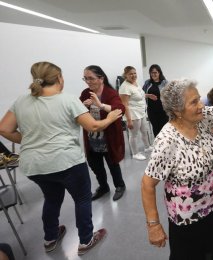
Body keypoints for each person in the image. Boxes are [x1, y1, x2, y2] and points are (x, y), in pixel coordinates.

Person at [0, 62, 119, 255]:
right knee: (82, 199)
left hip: (35, 166)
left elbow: (4, 128)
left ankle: (50, 238)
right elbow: (94, 127)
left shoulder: (21, 100)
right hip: (67, 162)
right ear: (59, 78)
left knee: (52, 199)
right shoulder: (68, 100)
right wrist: (111, 117)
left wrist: (29, 139)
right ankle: (86, 240)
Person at [141, 65, 213, 260]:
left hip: (210, 206)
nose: (201, 105)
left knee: (209, 254)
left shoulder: (202, 119)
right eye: (194, 102)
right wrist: (153, 225)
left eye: (199, 99)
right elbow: (148, 184)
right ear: (177, 110)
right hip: (187, 220)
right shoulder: (167, 140)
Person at [80, 65, 127, 201]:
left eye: (91, 78)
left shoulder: (110, 93)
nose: (88, 81)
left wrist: (100, 105)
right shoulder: (85, 93)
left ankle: (120, 186)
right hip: (92, 136)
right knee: (95, 165)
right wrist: (83, 105)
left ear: (101, 78)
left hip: (108, 137)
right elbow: (77, 108)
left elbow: (120, 109)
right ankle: (103, 187)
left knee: (112, 163)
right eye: (86, 78)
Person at [119, 66, 152, 161]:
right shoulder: (124, 87)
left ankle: (147, 147)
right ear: (126, 75)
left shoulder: (135, 83)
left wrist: (148, 95)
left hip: (141, 112)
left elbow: (139, 95)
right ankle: (135, 153)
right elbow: (125, 105)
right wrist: (129, 120)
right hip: (133, 115)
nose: (133, 75)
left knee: (144, 131)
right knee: (133, 135)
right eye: (130, 74)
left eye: (134, 73)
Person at [143, 64, 169, 138]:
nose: (153, 74)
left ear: (159, 73)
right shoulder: (147, 83)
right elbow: (141, 94)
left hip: (163, 110)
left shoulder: (165, 83)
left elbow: (170, 95)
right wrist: (148, 95)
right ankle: (158, 145)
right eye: (152, 72)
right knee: (155, 129)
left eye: (155, 72)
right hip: (152, 111)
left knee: (164, 129)